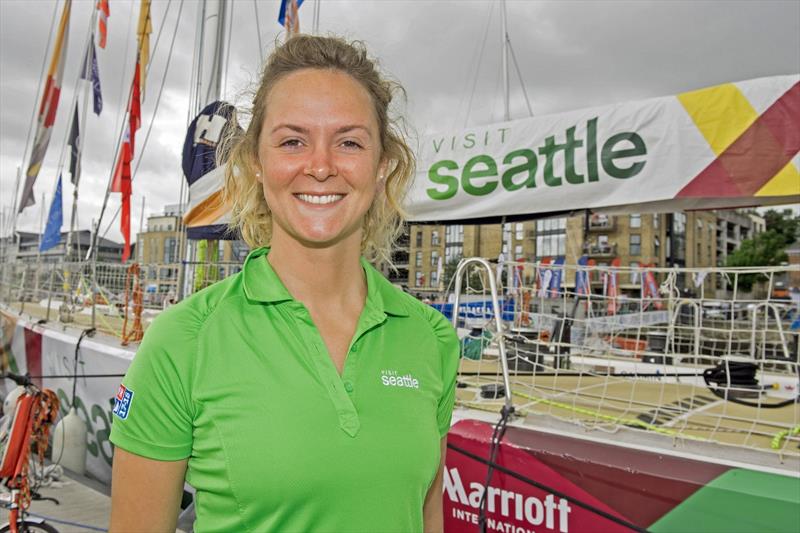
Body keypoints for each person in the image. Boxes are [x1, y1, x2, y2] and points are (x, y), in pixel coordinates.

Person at [109, 35, 460, 532]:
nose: (320, 166)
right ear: (256, 161)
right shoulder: (183, 341)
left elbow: (427, 519)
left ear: (382, 167)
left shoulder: (431, 337)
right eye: (293, 141)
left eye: (349, 142)